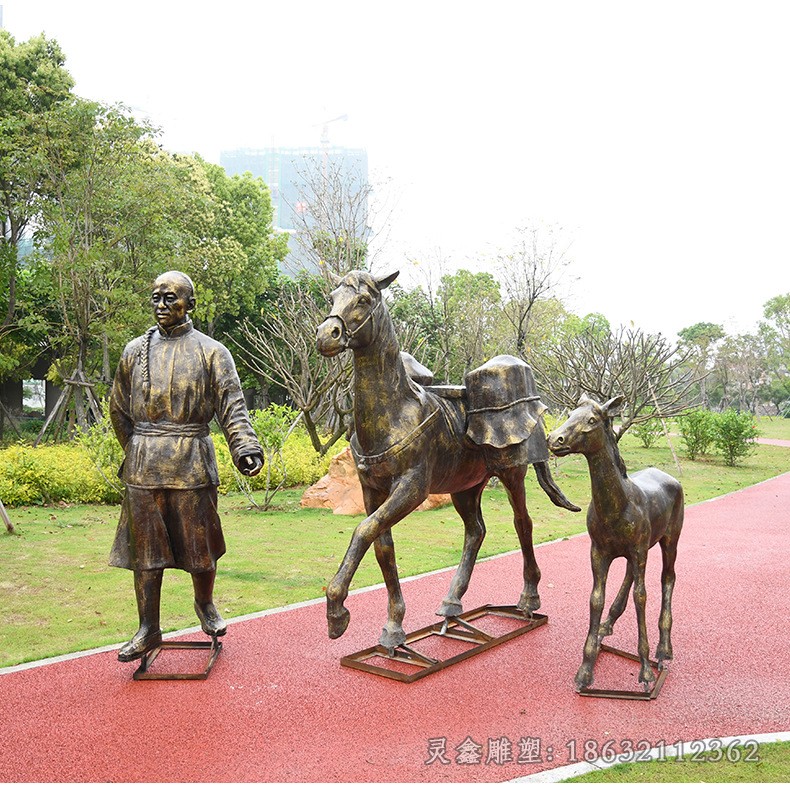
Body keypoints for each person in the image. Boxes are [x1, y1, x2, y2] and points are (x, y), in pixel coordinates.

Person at [109, 271, 263, 662]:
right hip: (145, 466)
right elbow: (118, 409)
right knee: (146, 553)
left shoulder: (212, 352)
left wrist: (245, 447)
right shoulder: (133, 351)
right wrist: (141, 448)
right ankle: (148, 628)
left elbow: (233, 407)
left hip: (192, 460)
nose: (162, 305)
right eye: (156, 298)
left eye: (171, 298)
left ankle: (205, 605)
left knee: (200, 545)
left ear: (190, 303)